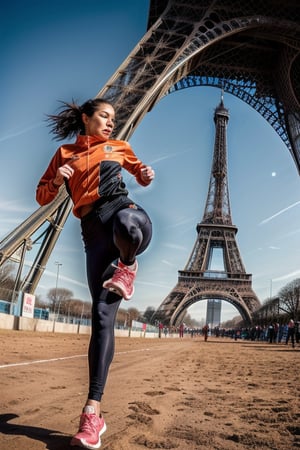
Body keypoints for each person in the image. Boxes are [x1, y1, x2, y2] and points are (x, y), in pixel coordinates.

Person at [36, 98, 155, 449]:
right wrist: (57, 179)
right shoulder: (64, 153)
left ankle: (129, 265)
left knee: (126, 225)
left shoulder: (119, 147)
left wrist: (145, 175)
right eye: (104, 116)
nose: (110, 122)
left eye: (114, 118)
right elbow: (42, 196)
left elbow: (140, 173)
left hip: (127, 216)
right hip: (93, 235)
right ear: (85, 118)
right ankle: (93, 413)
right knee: (102, 319)